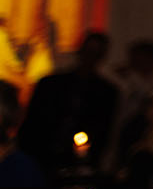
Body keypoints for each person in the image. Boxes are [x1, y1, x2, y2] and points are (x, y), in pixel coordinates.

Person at [16, 30, 120, 174]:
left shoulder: (107, 92)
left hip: (77, 164)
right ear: (80, 51)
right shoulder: (50, 84)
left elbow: (103, 131)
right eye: (88, 51)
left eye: (95, 53)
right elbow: (33, 121)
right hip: (40, 156)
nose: (90, 57)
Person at [110, 37, 153, 166]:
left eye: (142, 60)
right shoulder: (123, 82)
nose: (138, 64)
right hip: (122, 134)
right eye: (135, 59)